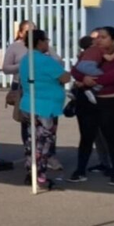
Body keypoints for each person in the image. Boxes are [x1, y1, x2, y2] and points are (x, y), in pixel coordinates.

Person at [69, 26, 114, 186]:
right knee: (86, 136)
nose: (99, 40)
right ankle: (80, 170)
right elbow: (75, 70)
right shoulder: (90, 53)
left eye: (103, 37)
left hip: (112, 102)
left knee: (111, 136)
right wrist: (84, 78)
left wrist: (93, 81)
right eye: (97, 37)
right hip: (88, 102)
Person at [2, 21, 63, 171]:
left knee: (49, 122)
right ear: (21, 33)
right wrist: (25, 64)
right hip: (24, 86)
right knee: (28, 121)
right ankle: (30, 154)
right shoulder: (15, 47)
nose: (32, 34)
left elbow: (59, 63)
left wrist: (47, 57)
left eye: (35, 30)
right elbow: (6, 68)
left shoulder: (45, 48)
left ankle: (50, 155)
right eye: (28, 31)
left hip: (45, 88)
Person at [18, 29, 71, 190]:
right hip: (45, 107)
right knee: (44, 142)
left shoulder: (25, 59)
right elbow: (65, 77)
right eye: (46, 40)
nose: (48, 43)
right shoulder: (45, 60)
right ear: (39, 42)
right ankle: (39, 175)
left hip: (29, 104)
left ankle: (30, 171)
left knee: (31, 141)